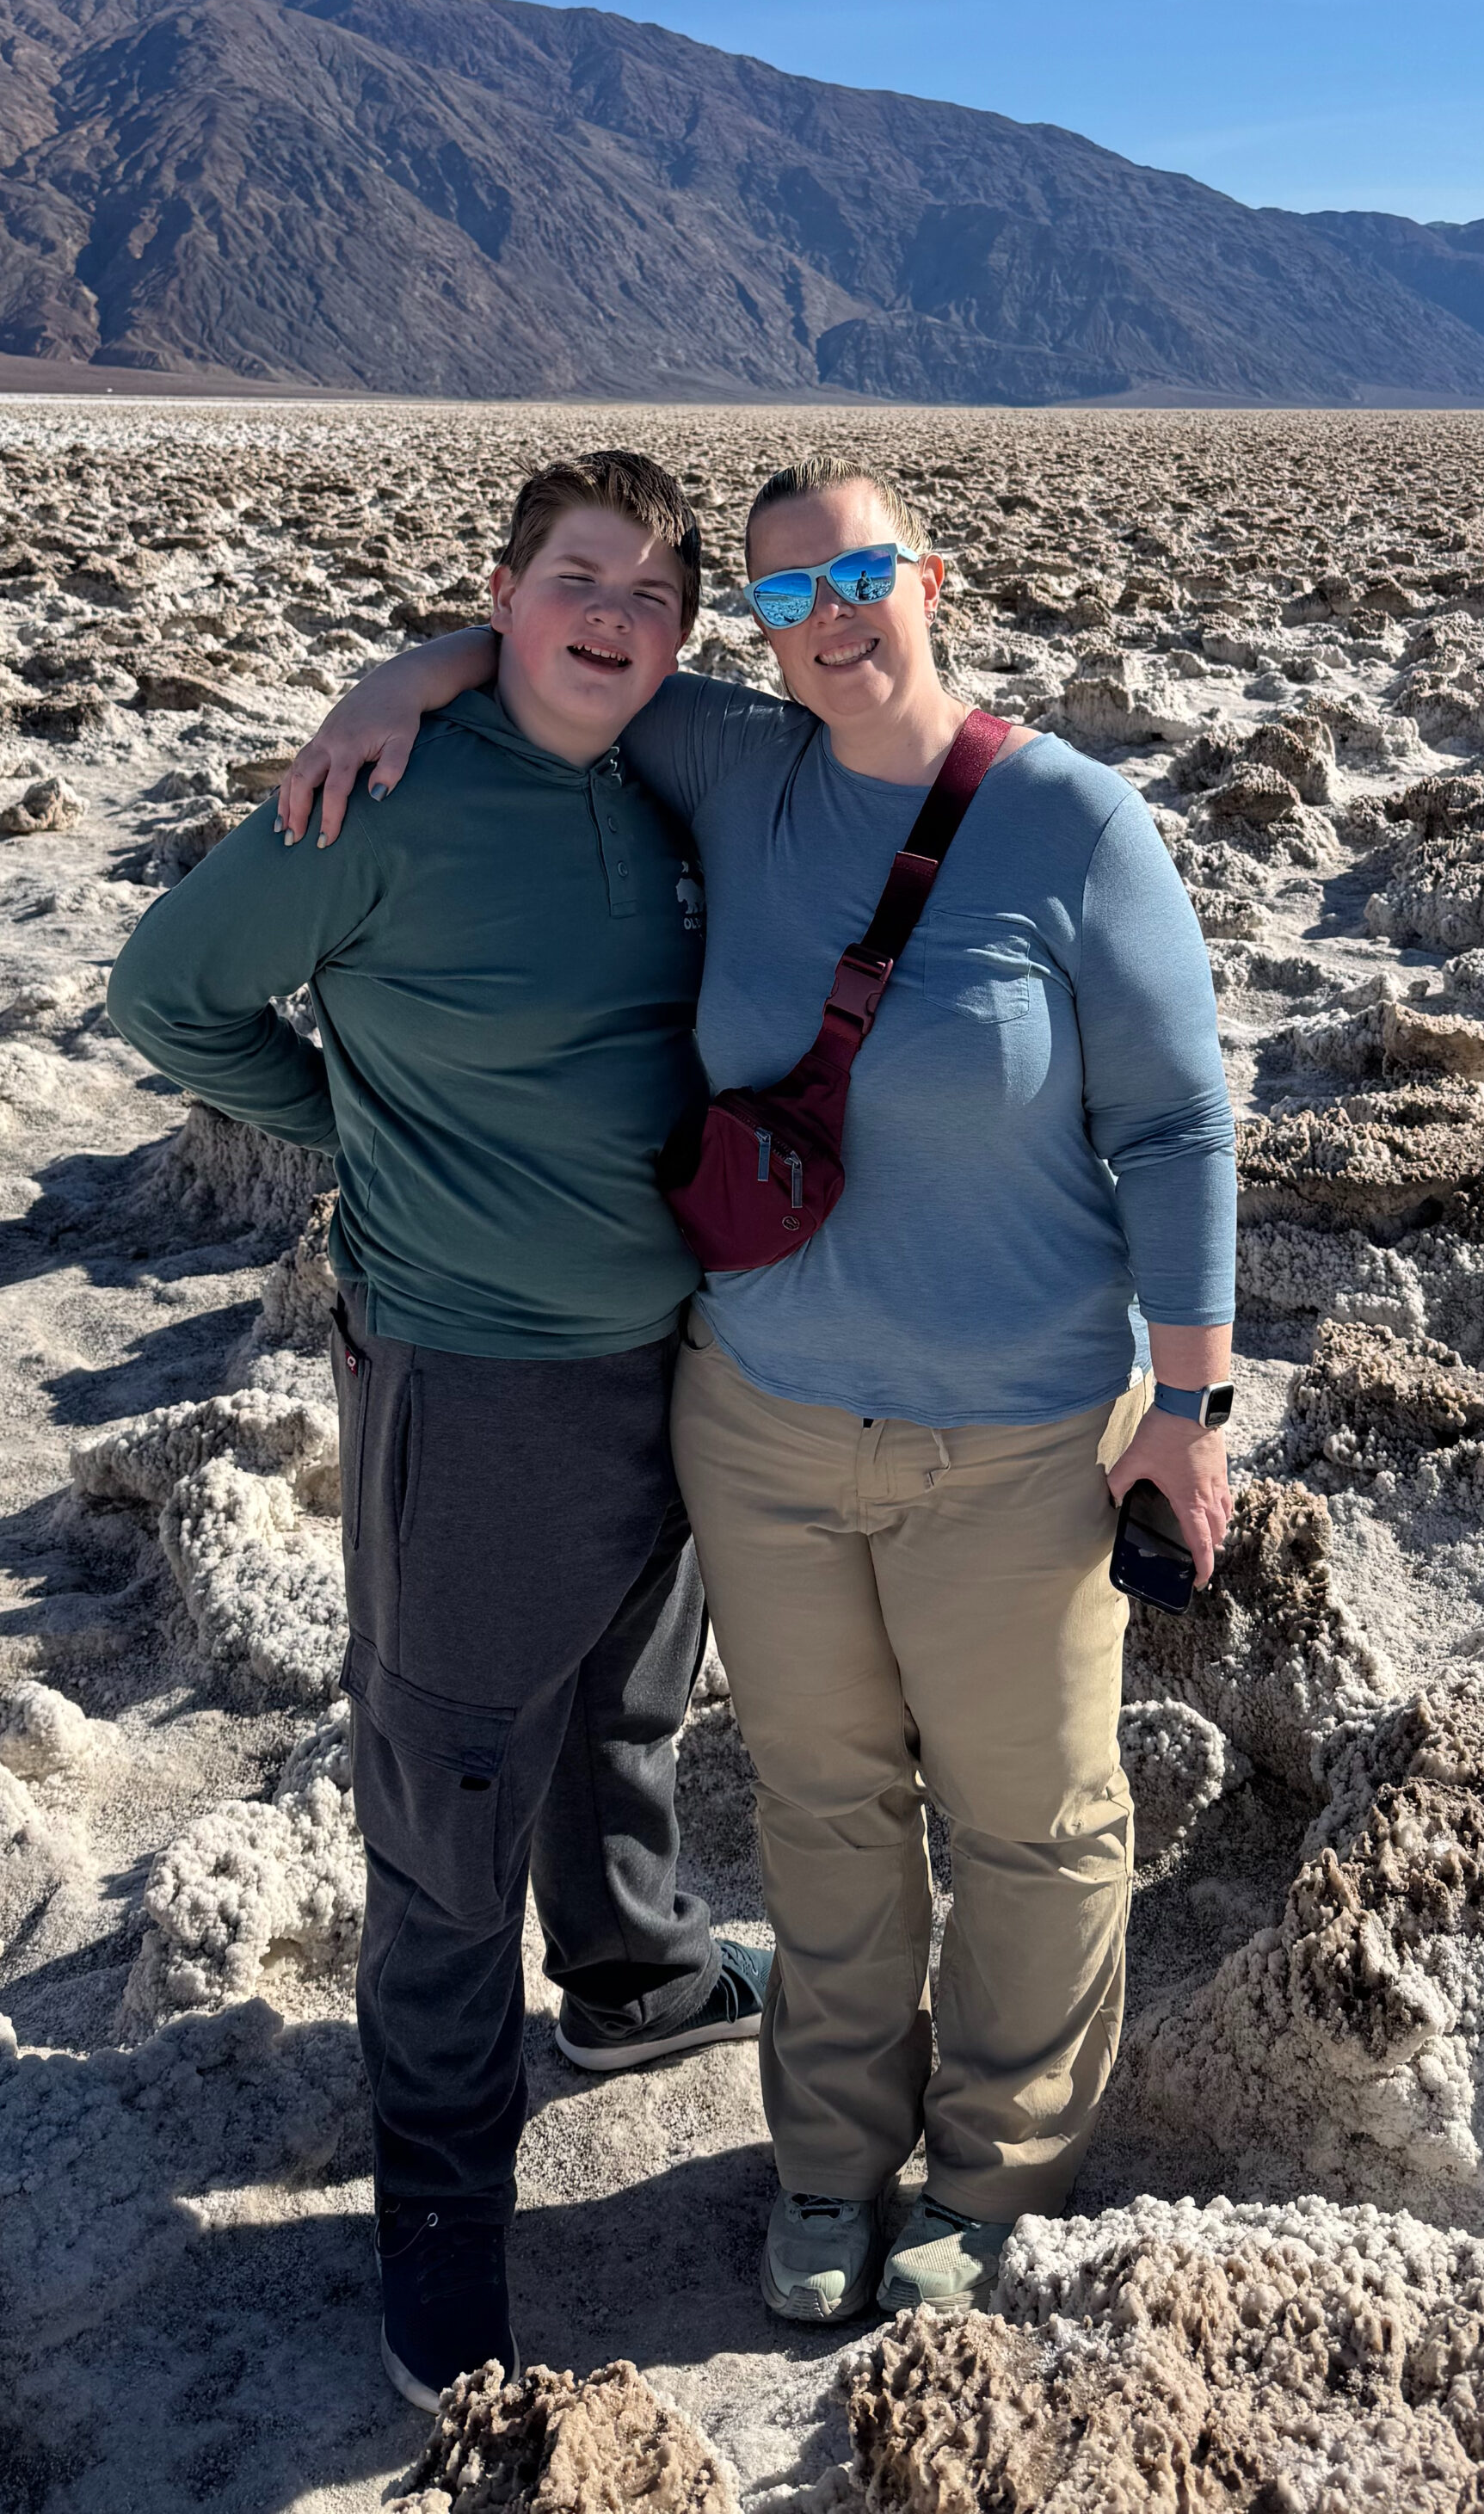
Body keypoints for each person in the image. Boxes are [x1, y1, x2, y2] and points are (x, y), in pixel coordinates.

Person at [276, 453, 1236, 2328]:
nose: (830, 618)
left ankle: (991, 2170)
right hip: (767, 1420)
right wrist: (409, 669)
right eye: (786, 595)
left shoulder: (1073, 821)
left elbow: (1183, 1117)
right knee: (820, 1801)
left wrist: (1187, 1409)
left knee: (1032, 1817)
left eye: (857, 575)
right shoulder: (735, 761)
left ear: (928, 575)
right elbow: (569, 649)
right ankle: (828, 2159)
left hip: (1018, 1434)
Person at [108, 451, 769, 2413]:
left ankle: (636, 1970)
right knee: (452, 1793)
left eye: (653, 595)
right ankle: (442, 2201)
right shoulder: (379, 793)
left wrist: (449, 649)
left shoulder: (672, 766)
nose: (614, 620)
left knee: (632, 1700)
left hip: (679, 1351)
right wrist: (361, 1125)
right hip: (472, 1373)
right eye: (576, 582)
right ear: (504, 588)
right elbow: (170, 996)